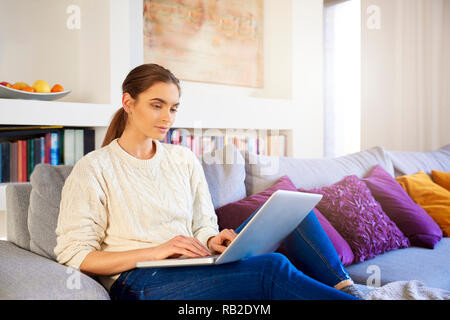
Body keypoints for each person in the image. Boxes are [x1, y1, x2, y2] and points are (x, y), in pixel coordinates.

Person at [54, 63, 364, 300]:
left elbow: (203, 225)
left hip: (192, 263)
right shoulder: (94, 168)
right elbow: (76, 254)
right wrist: (156, 251)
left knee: (295, 213)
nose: (167, 117)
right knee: (272, 266)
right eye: (156, 104)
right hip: (139, 281)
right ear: (129, 102)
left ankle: (347, 289)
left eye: (173, 108)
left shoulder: (182, 159)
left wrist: (211, 241)